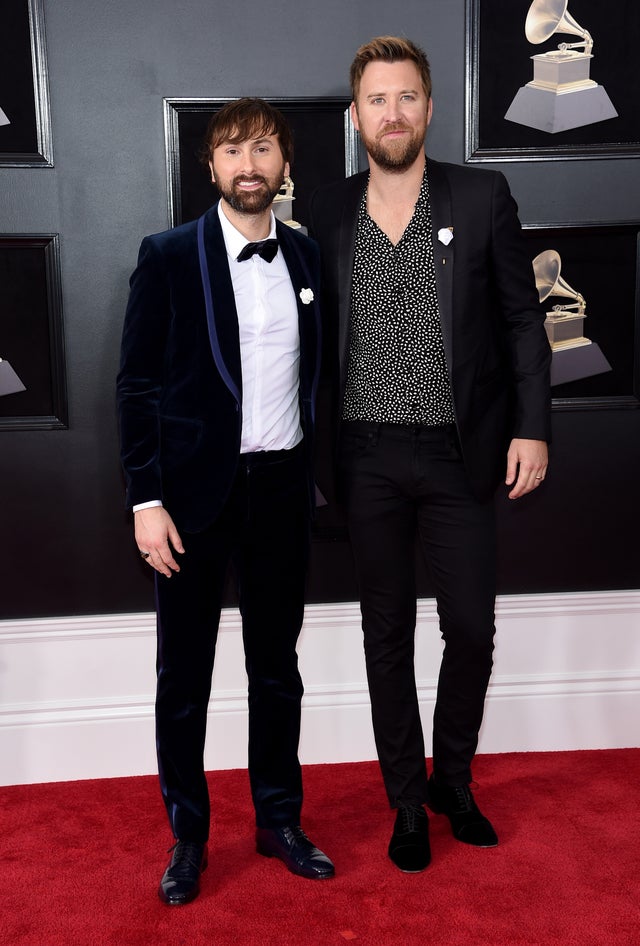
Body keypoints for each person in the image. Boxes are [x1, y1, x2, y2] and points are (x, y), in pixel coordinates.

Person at [309, 37, 551, 873]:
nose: (394, 113)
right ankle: (406, 802)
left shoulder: (483, 196)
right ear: (356, 117)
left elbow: (524, 319)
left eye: (408, 97)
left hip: (459, 455)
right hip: (364, 457)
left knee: (472, 631)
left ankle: (454, 778)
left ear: (430, 108)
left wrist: (533, 427)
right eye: (378, 100)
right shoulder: (329, 214)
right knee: (387, 635)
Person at [117, 97, 334, 905]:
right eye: (234, 151)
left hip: (281, 491)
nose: (250, 166)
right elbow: (136, 383)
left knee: (277, 669)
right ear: (210, 167)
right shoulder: (168, 253)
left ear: (284, 165)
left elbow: (323, 379)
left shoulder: (309, 261)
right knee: (186, 677)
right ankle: (189, 835)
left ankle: (279, 820)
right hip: (191, 500)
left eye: (264, 150)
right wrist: (146, 498)